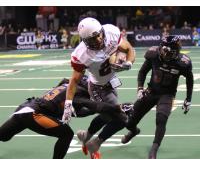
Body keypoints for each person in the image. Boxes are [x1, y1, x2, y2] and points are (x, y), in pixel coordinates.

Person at [0, 76, 124, 159]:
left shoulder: (67, 84)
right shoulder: (78, 92)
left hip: (25, 108)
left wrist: (91, 111)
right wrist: (118, 108)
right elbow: (95, 105)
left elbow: (78, 111)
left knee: (3, 136)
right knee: (67, 134)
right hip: (35, 114)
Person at [62, 17, 135, 155]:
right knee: (122, 119)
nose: (99, 39)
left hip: (111, 81)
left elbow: (128, 48)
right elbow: (74, 81)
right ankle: (95, 143)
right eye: (93, 39)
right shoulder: (81, 54)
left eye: (99, 35)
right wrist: (67, 104)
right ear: (85, 40)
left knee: (107, 117)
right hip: (97, 88)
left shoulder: (111, 32)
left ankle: (86, 136)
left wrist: (129, 63)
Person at [120, 35, 194, 159]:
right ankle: (134, 131)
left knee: (161, 119)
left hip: (167, 95)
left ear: (175, 52)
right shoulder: (154, 55)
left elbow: (190, 80)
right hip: (151, 91)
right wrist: (139, 88)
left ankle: (154, 150)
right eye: (163, 49)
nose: (164, 53)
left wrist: (188, 99)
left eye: (167, 51)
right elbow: (143, 71)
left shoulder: (183, 63)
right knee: (129, 122)